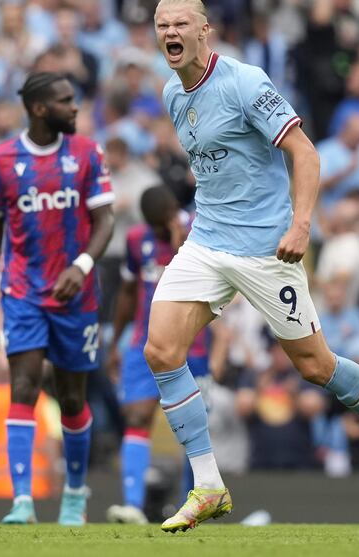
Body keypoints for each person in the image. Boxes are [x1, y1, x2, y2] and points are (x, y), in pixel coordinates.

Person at [148, 0, 359, 533]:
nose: (170, 32)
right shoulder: (171, 93)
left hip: (265, 247)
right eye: (162, 25)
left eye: (181, 22)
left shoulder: (246, 82)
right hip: (206, 242)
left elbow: (304, 152)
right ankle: (208, 485)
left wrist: (301, 223)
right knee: (161, 349)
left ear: (205, 30)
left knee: (315, 366)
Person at [0, 71, 114, 525]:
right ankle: (22, 502)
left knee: (72, 399)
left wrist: (82, 266)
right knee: (23, 386)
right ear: (39, 109)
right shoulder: (1, 159)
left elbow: (106, 221)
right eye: (65, 101)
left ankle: (74, 491)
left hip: (76, 294)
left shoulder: (87, 153)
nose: (75, 107)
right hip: (23, 292)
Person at [106, 185, 224, 525]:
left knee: (193, 425)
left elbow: (206, 281)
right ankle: (132, 505)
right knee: (136, 416)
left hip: (194, 345)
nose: (161, 229)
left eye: (166, 221)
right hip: (145, 343)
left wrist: (178, 241)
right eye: (156, 226)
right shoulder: (136, 240)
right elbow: (128, 292)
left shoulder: (201, 230)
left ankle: (198, 504)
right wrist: (115, 342)